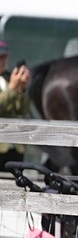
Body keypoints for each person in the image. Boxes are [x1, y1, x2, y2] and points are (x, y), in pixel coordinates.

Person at [0, 40, 31, 168]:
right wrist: (13, 87)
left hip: (14, 145)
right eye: (1, 58)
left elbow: (22, 110)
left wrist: (21, 88)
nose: (4, 61)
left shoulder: (7, 79)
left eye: (5, 57)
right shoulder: (10, 82)